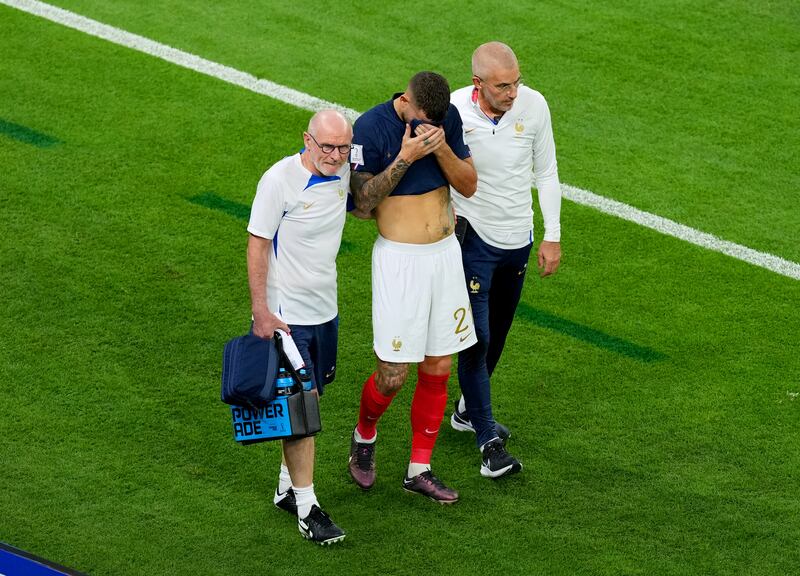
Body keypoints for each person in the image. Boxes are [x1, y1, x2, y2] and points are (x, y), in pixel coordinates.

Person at [347, 71, 478, 504]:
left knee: (439, 366)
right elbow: (362, 205)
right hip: (400, 263)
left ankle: (418, 469)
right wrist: (404, 157)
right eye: (424, 120)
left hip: (445, 257)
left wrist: (440, 148)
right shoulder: (370, 127)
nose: (430, 127)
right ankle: (365, 436)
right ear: (405, 101)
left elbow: (468, 184)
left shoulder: (447, 119)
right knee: (393, 374)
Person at [449, 42, 562, 478]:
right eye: (503, 86)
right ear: (479, 83)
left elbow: (546, 171)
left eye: (516, 82)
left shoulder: (534, 105)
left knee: (498, 333)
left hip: (518, 239)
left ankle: (465, 410)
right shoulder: (456, 110)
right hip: (473, 239)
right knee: (476, 337)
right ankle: (488, 444)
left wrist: (551, 236)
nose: (513, 92)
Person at [246, 109, 353, 545]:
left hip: (325, 311)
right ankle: (308, 508)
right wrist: (261, 312)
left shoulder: (345, 169)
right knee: (302, 410)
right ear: (306, 140)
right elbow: (256, 244)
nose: (334, 155)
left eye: (342, 147)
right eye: (326, 146)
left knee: (309, 401)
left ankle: (286, 486)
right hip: (287, 317)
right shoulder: (279, 181)